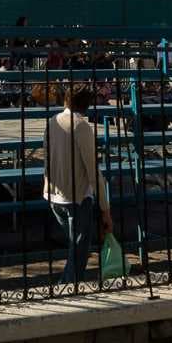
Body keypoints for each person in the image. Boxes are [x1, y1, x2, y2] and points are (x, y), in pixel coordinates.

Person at [43, 84, 112, 284]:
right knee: (80, 248)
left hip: (54, 193)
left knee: (77, 246)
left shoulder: (52, 121)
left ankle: (67, 284)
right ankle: (66, 286)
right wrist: (105, 209)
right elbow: (93, 170)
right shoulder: (80, 125)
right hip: (77, 195)